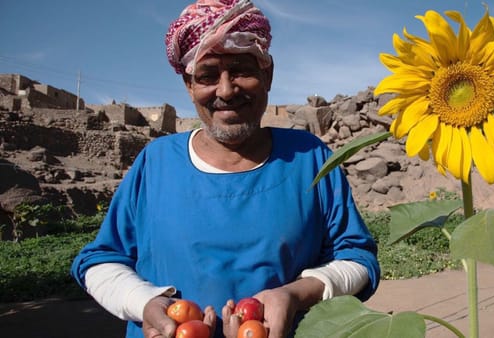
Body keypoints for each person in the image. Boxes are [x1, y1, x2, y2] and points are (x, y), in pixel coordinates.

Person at [70, 1, 380, 337]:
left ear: (268, 75)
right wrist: (144, 302)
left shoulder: (310, 159)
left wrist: (292, 295)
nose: (226, 90)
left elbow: (358, 260)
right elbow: (100, 261)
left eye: (242, 71)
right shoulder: (155, 163)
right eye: (207, 76)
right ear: (189, 86)